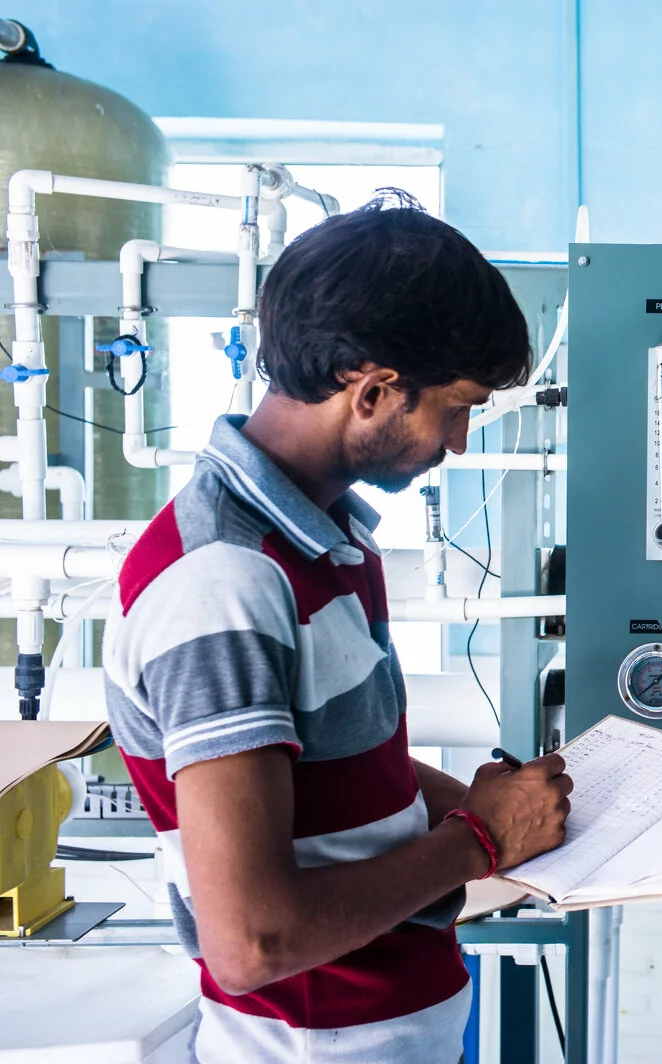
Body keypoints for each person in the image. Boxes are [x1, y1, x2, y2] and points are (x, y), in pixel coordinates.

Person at [103, 191, 572, 1063]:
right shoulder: (225, 584)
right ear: (372, 391)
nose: (461, 442)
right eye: (458, 406)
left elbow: (350, 777)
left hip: (392, 1033)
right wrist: (479, 838)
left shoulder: (325, 537)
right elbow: (254, 942)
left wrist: (489, 810)